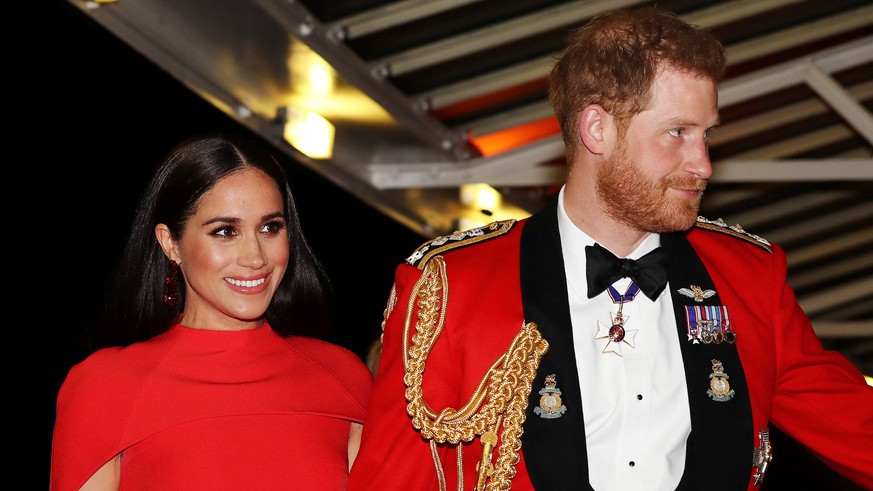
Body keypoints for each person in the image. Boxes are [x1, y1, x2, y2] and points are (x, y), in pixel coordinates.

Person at [347, 7, 873, 491]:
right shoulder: (452, 285)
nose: (704, 164)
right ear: (597, 128)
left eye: (706, 135)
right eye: (677, 133)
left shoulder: (750, 278)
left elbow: (856, 428)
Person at [51, 133, 374, 490]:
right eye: (225, 231)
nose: (255, 257)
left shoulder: (344, 378)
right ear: (170, 242)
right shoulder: (106, 386)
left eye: (270, 228)